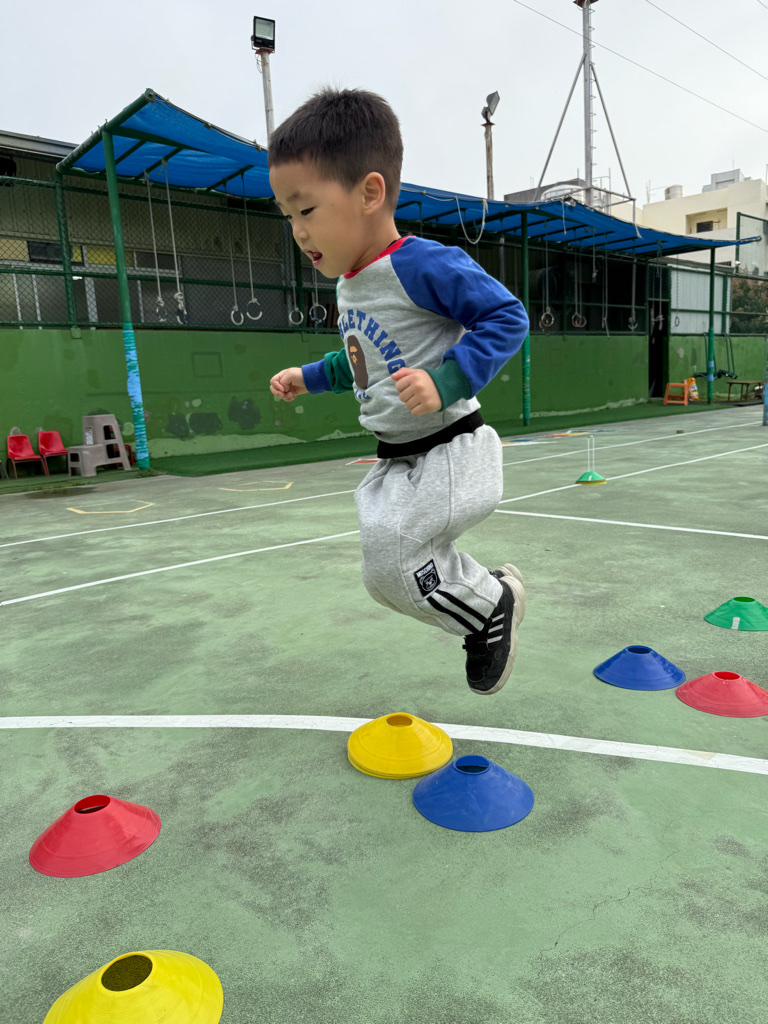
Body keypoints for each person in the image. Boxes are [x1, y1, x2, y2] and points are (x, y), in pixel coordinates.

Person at [268, 88, 529, 695]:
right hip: (397, 460)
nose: (298, 232)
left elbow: (506, 316)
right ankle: (489, 595)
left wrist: (447, 380)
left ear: (369, 193)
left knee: (399, 551)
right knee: (382, 575)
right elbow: (363, 361)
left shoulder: (421, 264)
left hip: (451, 448)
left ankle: (491, 606)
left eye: (306, 210)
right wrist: (308, 376)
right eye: (288, 217)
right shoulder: (351, 285)